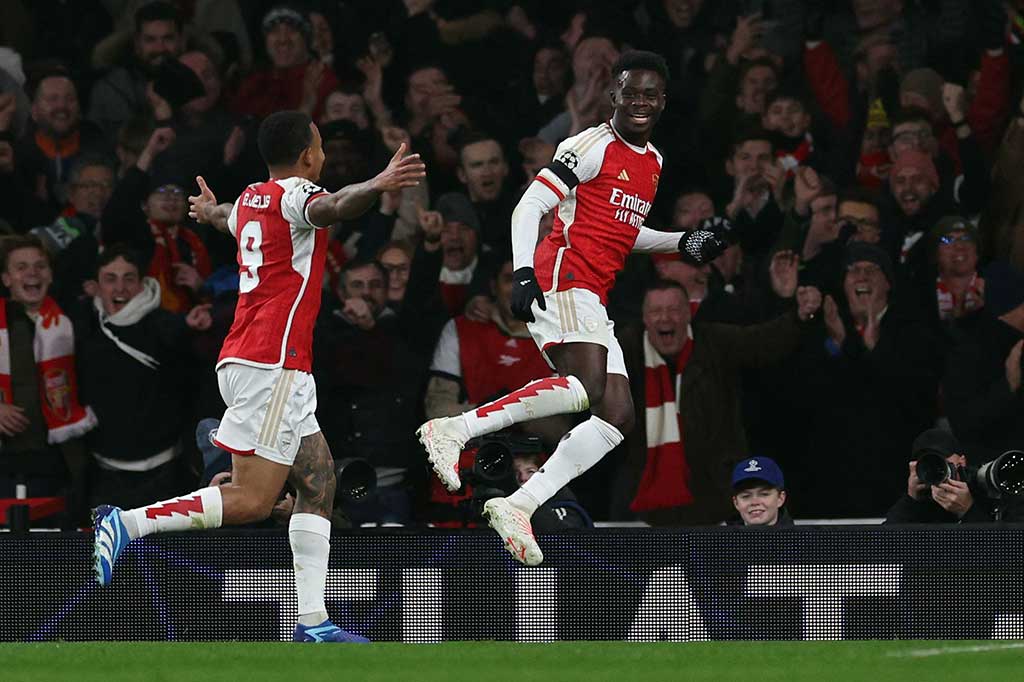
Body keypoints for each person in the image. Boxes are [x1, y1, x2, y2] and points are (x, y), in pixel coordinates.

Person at [92, 110, 424, 643]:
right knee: (251, 501)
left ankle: (313, 623)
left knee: (319, 482)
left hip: (264, 361)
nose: (322, 156)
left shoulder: (253, 196)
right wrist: (380, 182)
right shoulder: (297, 195)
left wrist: (208, 210)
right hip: (272, 363)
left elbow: (229, 215)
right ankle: (127, 524)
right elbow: (336, 205)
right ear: (307, 155)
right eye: (318, 146)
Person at [417, 51, 730, 565]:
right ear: (614, 96)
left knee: (617, 415)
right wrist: (522, 270)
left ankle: (519, 504)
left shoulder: (652, 162)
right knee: (586, 387)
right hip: (561, 278)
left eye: (651, 94)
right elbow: (530, 206)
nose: (641, 102)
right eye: (631, 92)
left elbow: (623, 233)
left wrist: (684, 243)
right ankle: (455, 428)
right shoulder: (588, 146)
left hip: (594, 292)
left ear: (663, 101)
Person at [884, 429, 1018, 523]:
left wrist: (968, 510)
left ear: (962, 461)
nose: (937, 470)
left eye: (941, 461)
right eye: (929, 465)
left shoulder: (983, 490)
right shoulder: (919, 503)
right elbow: (882, 550)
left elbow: (1005, 553)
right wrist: (911, 499)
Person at [726, 457, 793, 527]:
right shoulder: (721, 537)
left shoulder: (800, 537)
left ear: (780, 499)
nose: (755, 502)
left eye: (764, 494)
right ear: (736, 503)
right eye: (746, 496)